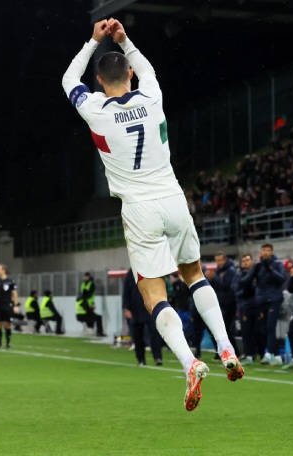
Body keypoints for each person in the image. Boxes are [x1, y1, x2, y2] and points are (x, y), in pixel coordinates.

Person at [63, 18, 242, 411]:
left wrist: (93, 40)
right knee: (194, 274)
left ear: (98, 80)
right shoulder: (151, 97)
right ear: (129, 73)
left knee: (152, 293)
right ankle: (226, 347)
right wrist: (125, 40)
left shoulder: (95, 109)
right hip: (174, 197)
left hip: (139, 208)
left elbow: (67, 78)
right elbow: (148, 70)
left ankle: (189, 362)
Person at [243, 243, 286, 366]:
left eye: (268, 250)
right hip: (262, 301)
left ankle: (270, 354)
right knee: (264, 329)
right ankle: (275, 355)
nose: (266, 252)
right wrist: (253, 272)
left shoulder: (277, 264)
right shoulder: (258, 266)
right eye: (264, 250)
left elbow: (281, 279)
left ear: (271, 252)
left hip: (274, 300)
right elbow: (246, 281)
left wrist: (269, 268)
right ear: (261, 252)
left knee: (271, 327)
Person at [123, 269, 163, 366]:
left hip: (150, 308)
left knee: (154, 333)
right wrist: (126, 308)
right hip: (135, 309)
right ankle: (141, 359)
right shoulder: (130, 273)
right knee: (137, 336)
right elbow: (126, 292)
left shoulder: (150, 270)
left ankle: (157, 357)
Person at [233, 254, 257, 365]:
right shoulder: (238, 274)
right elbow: (234, 287)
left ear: (252, 261)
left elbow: (254, 288)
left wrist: (243, 291)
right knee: (245, 331)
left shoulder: (255, 273)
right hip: (243, 305)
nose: (245, 262)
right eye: (243, 261)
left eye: (247, 260)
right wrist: (242, 293)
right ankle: (249, 355)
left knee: (256, 331)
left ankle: (255, 354)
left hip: (254, 304)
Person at [210, 252, 237, 350]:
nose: (219, 263)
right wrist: (211, 279)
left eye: (220, 260)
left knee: (226, 329)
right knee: (221, 329)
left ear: (225, 260)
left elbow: (227, 286)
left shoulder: (231, 270)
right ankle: (227, 351)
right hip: (220, 303)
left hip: (229, 304)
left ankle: (234, 351)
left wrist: (215, 278)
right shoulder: (218, 271)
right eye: (217, 261)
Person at [0, 263, 18, 349]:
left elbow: (15, 294)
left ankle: (8, 343)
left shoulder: (10, 281)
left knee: (7, 324)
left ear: (3, 270)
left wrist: (15, 305)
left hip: (7, 305)